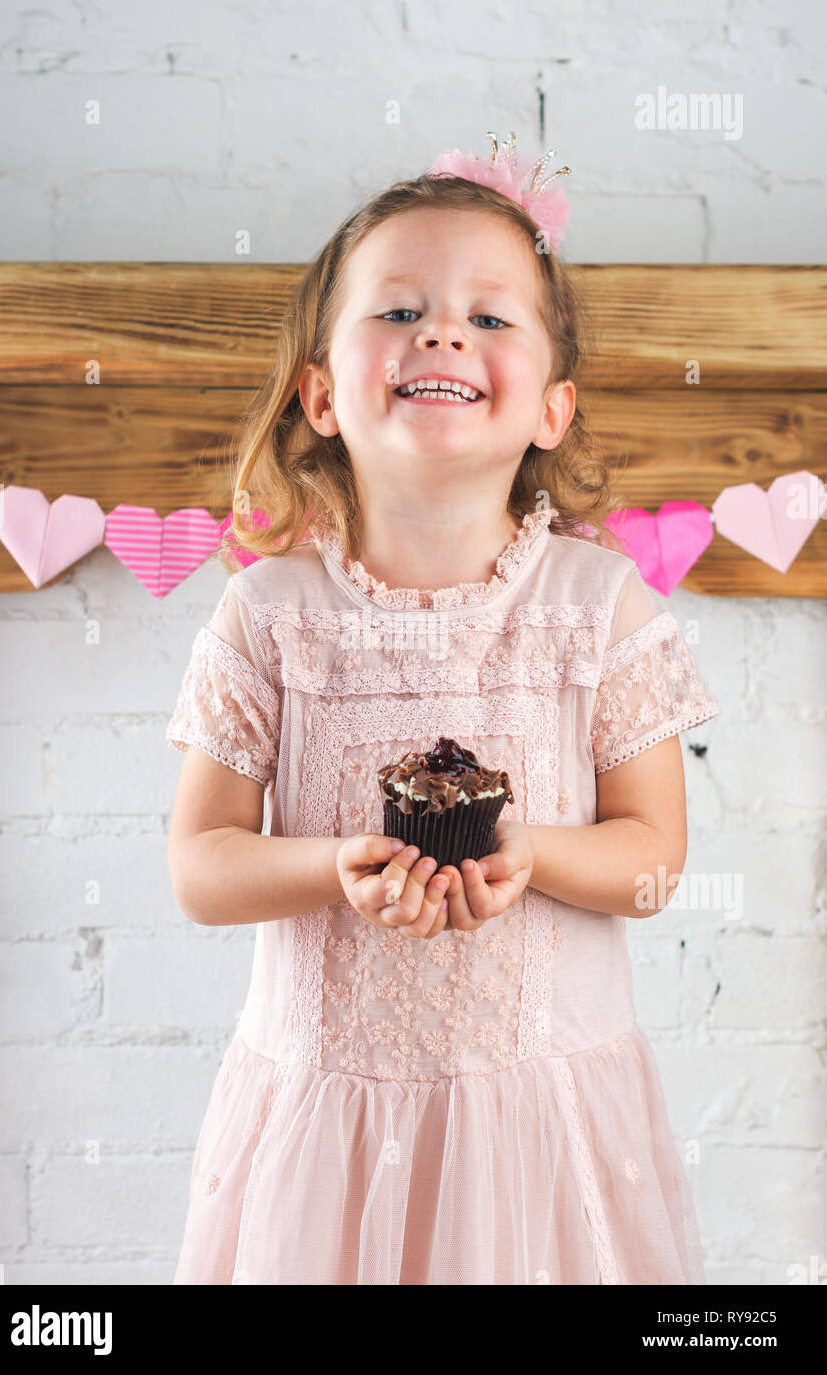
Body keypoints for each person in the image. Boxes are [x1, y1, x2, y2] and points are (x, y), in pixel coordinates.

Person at [164, 131, 720, 1285]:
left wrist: (525, 850)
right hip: (324, 1134)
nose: (441, 330)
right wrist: (335, 868)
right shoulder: (266, 616)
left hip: (542, 1129)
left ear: (551, 411)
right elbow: (201, 867)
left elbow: (654, 860)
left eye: (489, 314)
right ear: (320, 394)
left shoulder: (596, 606)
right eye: (398, 308)